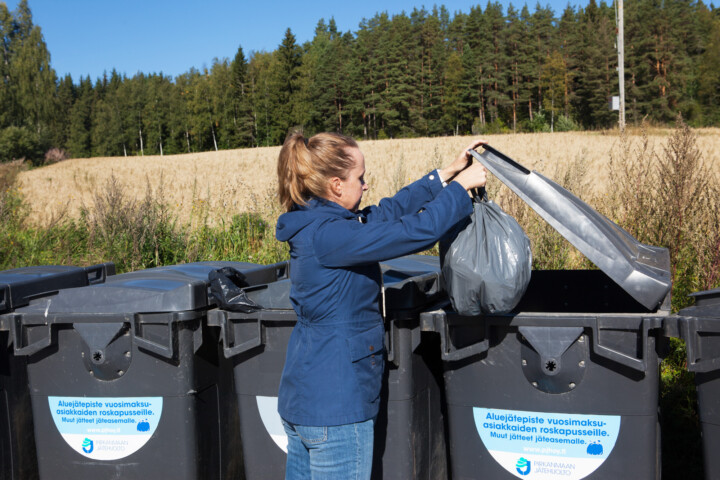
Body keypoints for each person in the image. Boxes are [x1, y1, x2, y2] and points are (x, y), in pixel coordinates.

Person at [275, 132, 488, 480]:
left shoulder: (320, 223)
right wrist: (459, 191)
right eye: (360, 178)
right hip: (337, 406)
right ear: (336, 186)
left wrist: (446, 174)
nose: (366, 184)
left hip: (305, 399)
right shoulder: (333, 236)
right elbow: (413, 231)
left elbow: (388, 213)